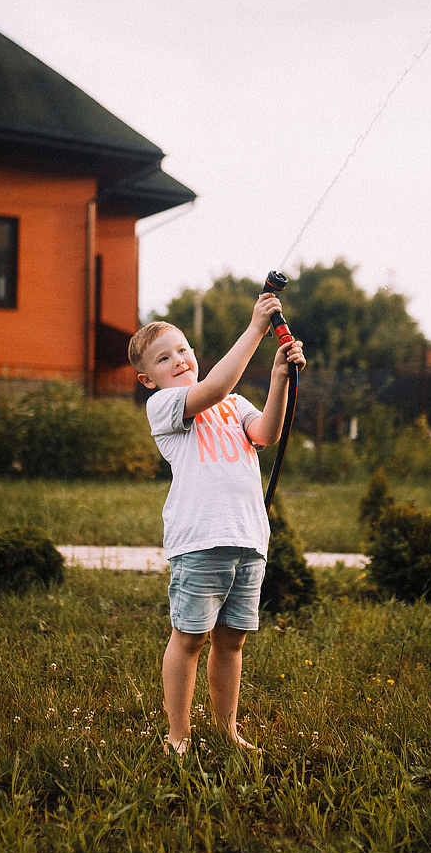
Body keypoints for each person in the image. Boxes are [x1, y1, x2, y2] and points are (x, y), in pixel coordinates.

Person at [128, 293, 305, 756]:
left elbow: (265, 433)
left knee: (231, 643)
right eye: (164, 359)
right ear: (148, 379)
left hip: (248, 539)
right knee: (188, 639)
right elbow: (213, 391)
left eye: (182, 349)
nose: (179, 360)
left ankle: (227, 730)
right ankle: (178, 736)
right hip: (201, 540)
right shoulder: (166, 405)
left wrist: (279, 378)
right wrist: (254, 330)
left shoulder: (236, 403)